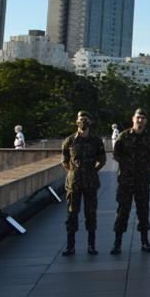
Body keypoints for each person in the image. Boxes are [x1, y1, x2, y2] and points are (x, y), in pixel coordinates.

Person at [111, 107, 150, 254]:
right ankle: (117, 242)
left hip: (143, 182)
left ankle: (145, 242)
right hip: (125, 182)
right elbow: (116, 155)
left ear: (146, 121)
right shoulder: (124, 136)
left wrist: (142, 167)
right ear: (133, 119)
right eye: (138, 117)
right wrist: (128, 167)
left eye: (143, 118)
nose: (140, 120)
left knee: (143, 211)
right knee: (122, 212)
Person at [60, 110, 106, 256]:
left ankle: (91, 245)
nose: (83, 122)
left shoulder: (96, 141)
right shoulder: (69, 141)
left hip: (91, 183)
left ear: (90, 122)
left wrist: (92, 171)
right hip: (74, 184)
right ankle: (70, 246)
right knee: (72, 214)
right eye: (80, 119)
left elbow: (102, 160)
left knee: (90, 214)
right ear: (76, 121)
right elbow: (65, 161)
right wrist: (74, 172)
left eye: (85, 119)